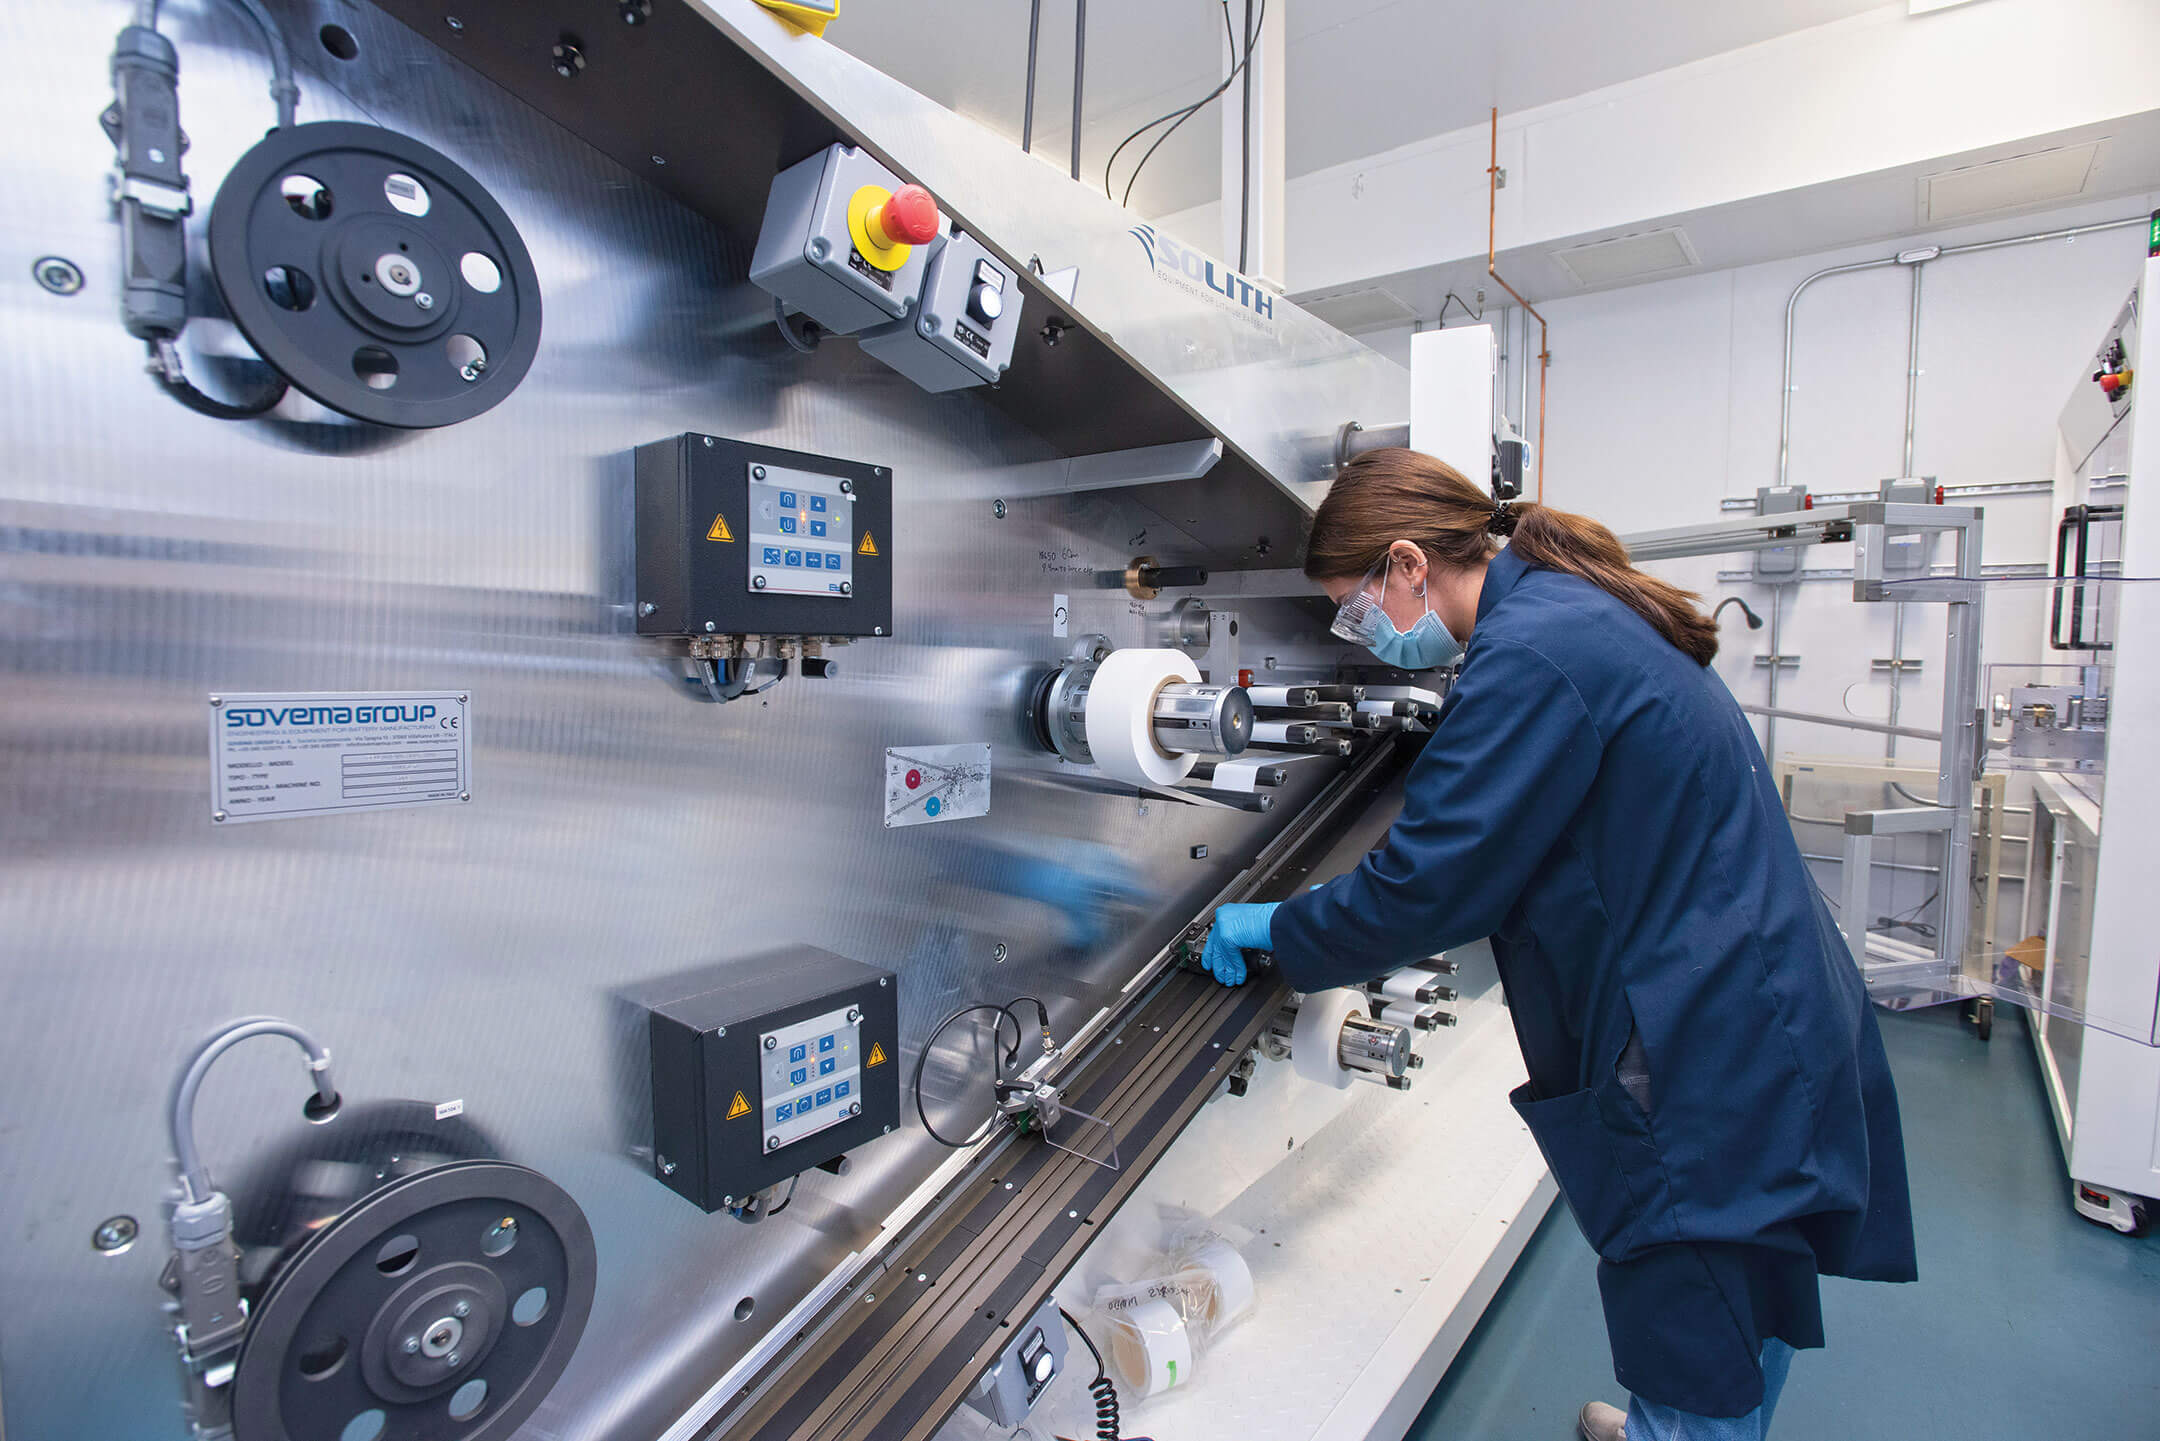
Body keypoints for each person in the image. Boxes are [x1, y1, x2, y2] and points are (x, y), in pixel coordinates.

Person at [1201, 449, 1916, 1441]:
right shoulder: (1565, 611)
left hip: (1700, 1028)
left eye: (1351, 602)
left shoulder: (1530, 653)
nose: (1352, 628)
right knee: (1742, 1270)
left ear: (1408, 562)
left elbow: (1426, 886)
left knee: (1692, 1280)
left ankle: (1683, 1428)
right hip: (1756, 989)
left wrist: (1277, 927)